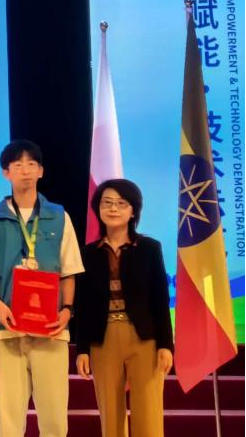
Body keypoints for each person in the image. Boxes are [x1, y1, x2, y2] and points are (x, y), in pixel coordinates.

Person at [0, 140, 84, 437]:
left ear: (41, 171)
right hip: (6, 329)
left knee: (54, 418)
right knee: (9, 419)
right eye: (18, 165)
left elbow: (69, 271)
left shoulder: (59, 216)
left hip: (51, 329)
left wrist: (67, 310)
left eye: (31, 164)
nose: (25, 170)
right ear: (6, 173)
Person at [74, 179, 173, 437]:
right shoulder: (87, 253)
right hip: (103, 337)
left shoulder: (149, 248)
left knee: (149, 412)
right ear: (98, 209)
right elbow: (83, 304)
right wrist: (82, 348)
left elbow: (160, 299)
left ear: (133, 211)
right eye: (107, 203)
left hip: (143, 337)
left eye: (121, 203)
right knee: (110, 415)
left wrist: (166, 344)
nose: (113, 209)